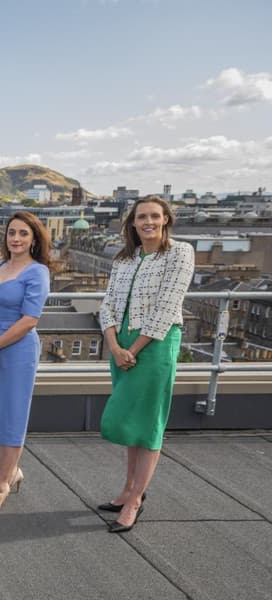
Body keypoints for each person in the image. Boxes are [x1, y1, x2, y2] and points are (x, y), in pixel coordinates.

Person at [97, 195, 194, 533]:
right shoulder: (124, 258)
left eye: (154, 216)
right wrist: (114, 346)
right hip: (121, 344)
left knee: (149, 421)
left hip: (155, 343)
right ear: (133, 223)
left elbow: (167, 307)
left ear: (166, 219)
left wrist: (134, 350)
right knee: (130, 421)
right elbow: (107, 305)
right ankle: (128, 489)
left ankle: (135, 500)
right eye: (142, 217)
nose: (148, 222)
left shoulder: (180, 253)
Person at [0, 211, 52, 514]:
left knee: (13, 417)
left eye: (23, 233)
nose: (16, 238)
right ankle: (14, 471)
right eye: (11, 232)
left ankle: (0, 485)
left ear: (34, 239)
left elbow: (30, 320)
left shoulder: (37, 272)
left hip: (18, 351)